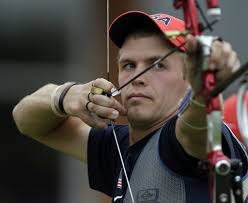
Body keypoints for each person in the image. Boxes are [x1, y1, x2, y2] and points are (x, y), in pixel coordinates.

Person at [13, 10, 248, 202]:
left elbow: (193, 130)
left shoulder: (182, 140)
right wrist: (64, 96)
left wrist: (203, 93)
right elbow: (25, 119)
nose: (138, 76)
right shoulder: (117, 145)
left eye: (157, 65)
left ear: (190, 78)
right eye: (128, 65)